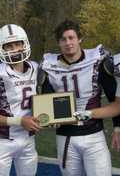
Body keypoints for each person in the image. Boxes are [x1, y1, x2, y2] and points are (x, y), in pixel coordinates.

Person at [39, 19, 120, 176]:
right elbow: (47, 103)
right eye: (63, 39)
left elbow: (113, 98)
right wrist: (49, 121)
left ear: (79, 39)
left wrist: (117, 127)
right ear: (58, 43)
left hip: (94, 135)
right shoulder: (48, 65)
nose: (68, 42)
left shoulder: (97, 61)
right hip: (66, 136)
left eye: (71, 38)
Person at [0, 24, 41, 176]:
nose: (14, 49)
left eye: (17, 44)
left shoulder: (35, 68)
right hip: (3, 141)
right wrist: (20, 121)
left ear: (24, 44)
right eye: (9, 46)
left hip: (28, 140)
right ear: (2, 49)